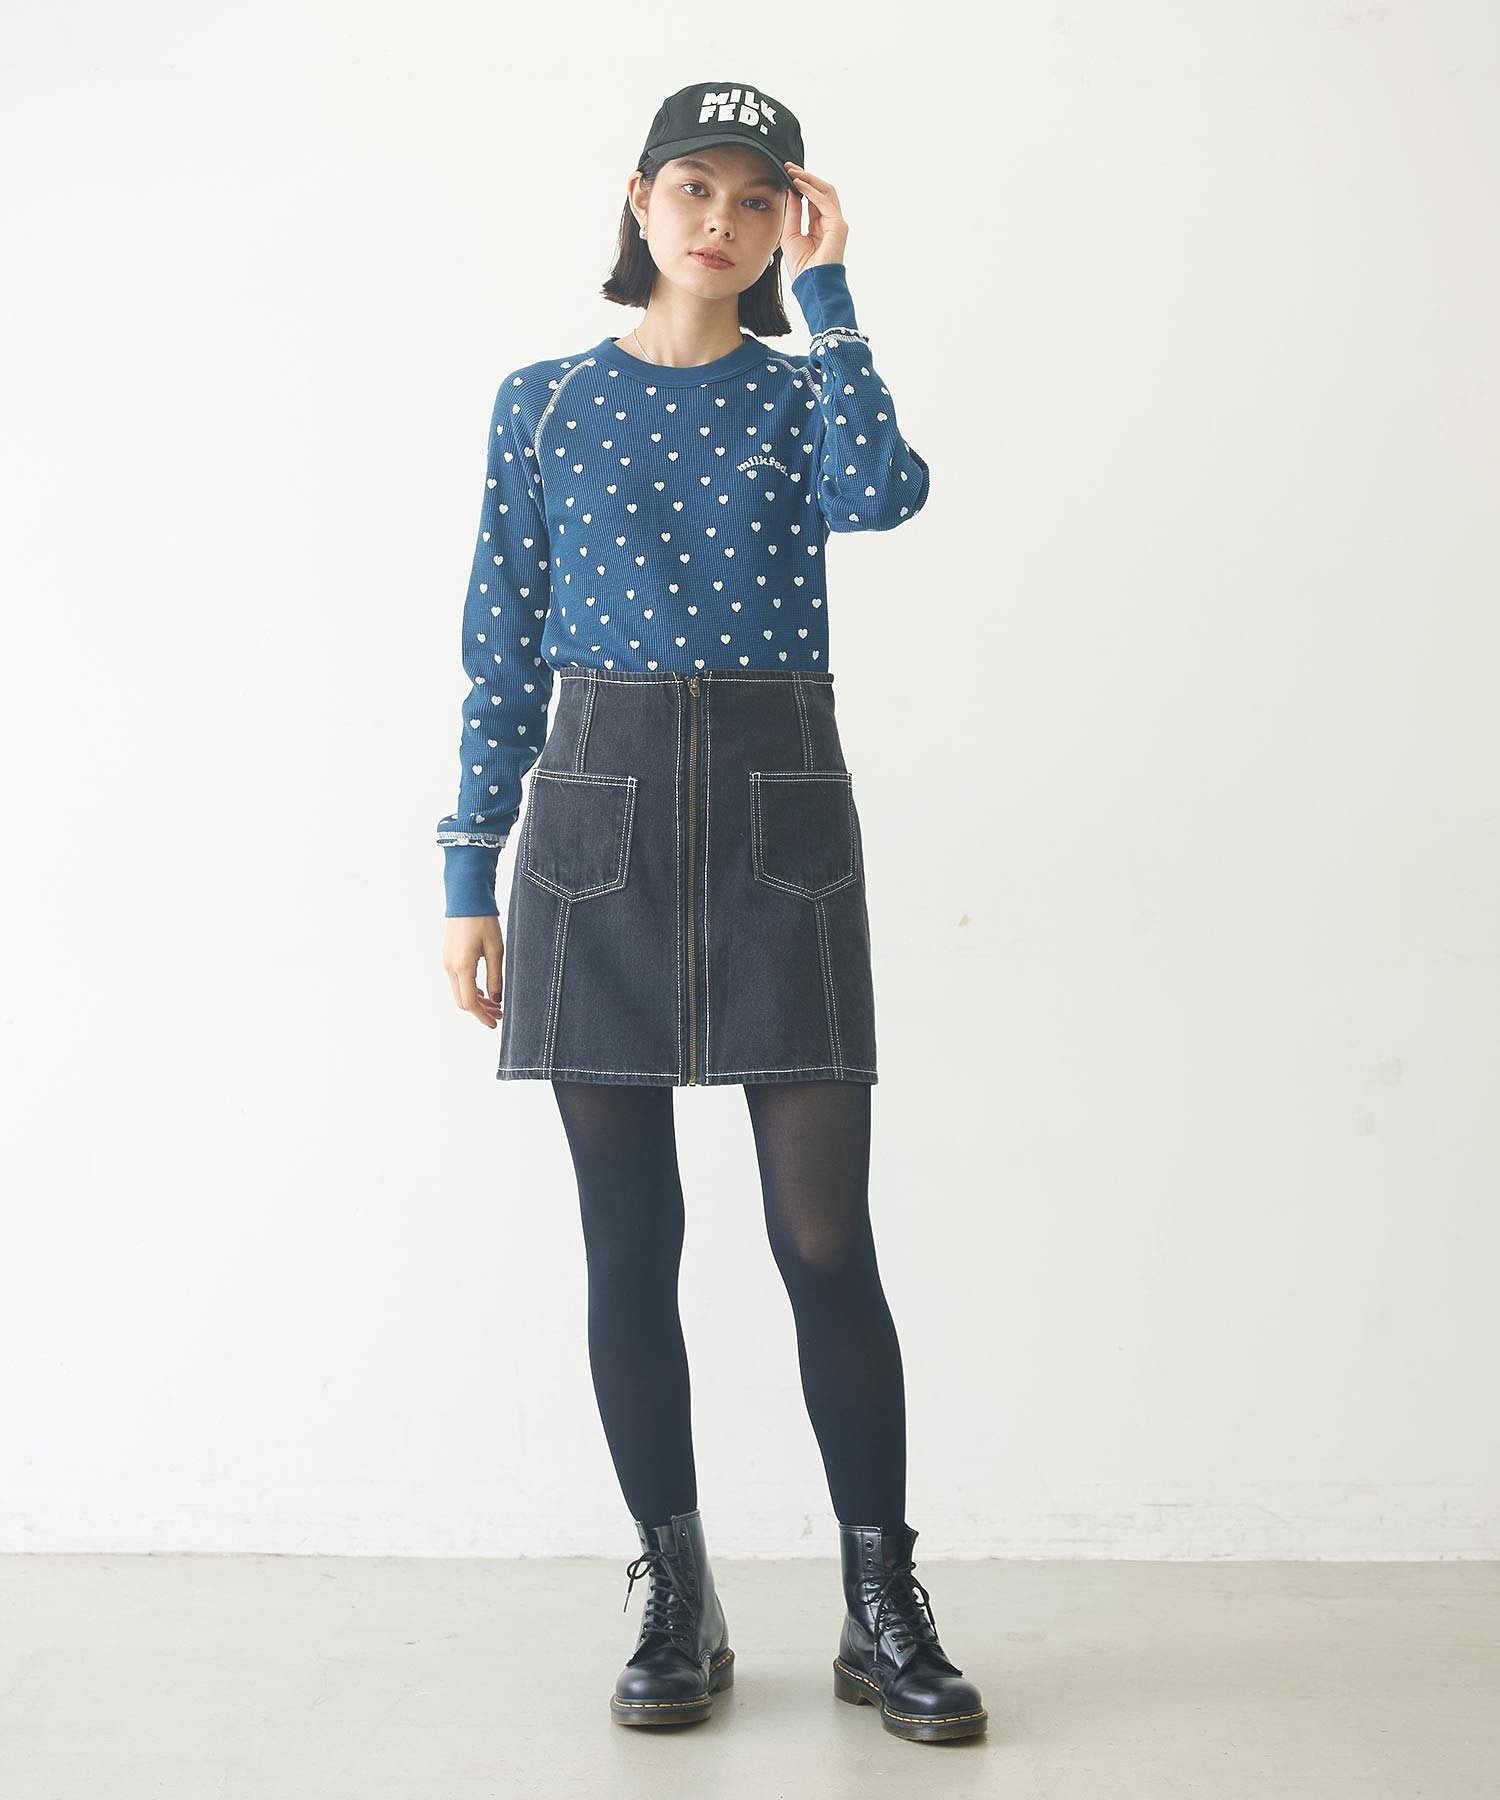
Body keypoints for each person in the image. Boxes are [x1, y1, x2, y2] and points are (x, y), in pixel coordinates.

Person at [437, 81, 987, 1744]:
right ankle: (675, 1592)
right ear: (639, 198)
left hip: (776, 818)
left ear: (785, 223)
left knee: (825, 1240)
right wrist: (468, 871)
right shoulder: (542, 402)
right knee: (630, 1241)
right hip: (592, 826)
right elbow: (501, 638)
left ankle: (882, 1602)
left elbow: (882, 494)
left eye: (758, 201)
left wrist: (835, 296)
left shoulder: (805, 391)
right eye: (695, 189)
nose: (721, 223)